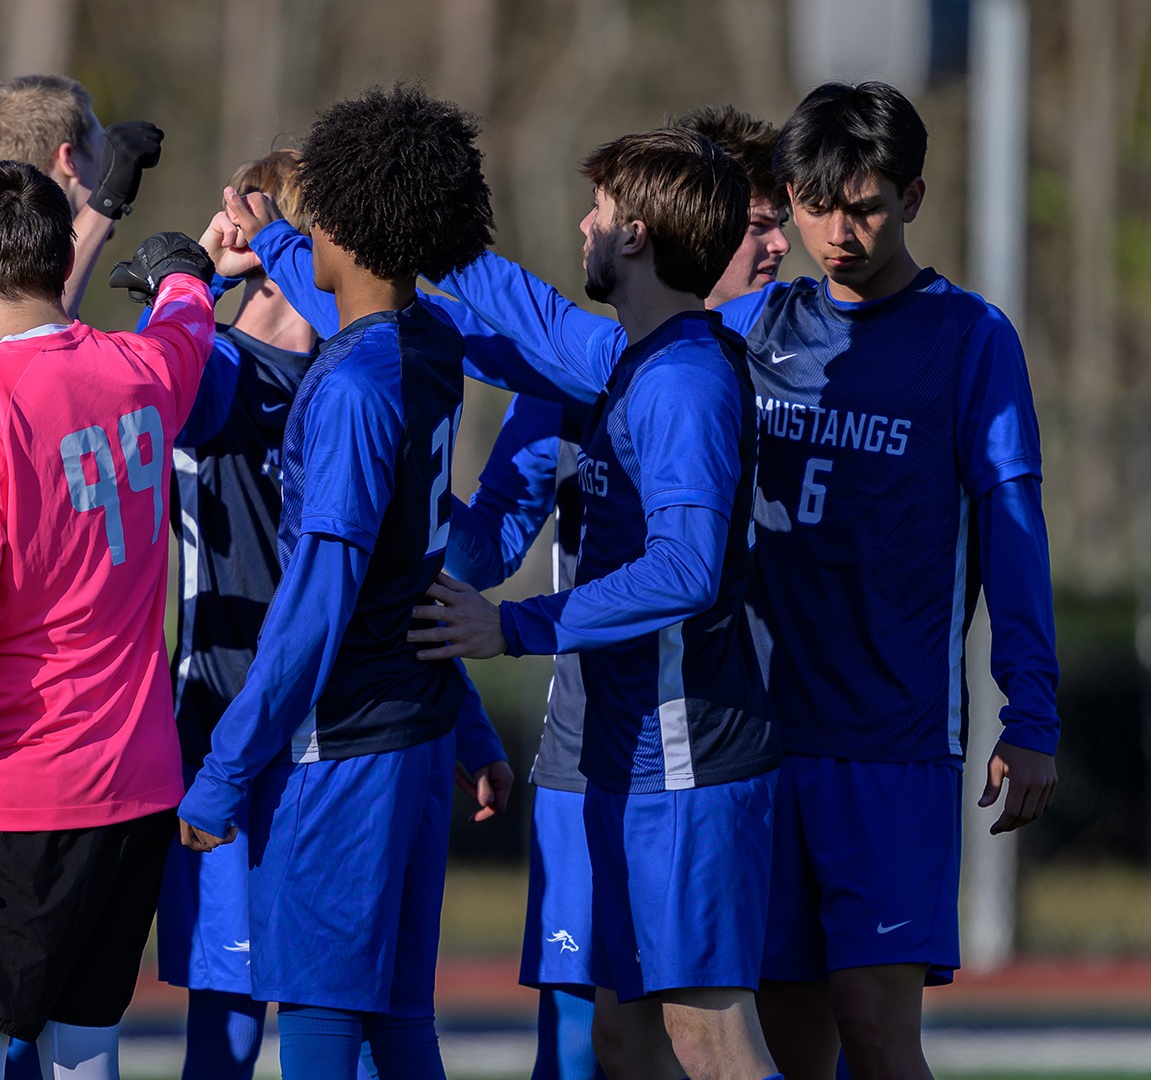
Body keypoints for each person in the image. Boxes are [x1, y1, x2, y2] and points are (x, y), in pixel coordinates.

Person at [430, 82, 1060, 1080]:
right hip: (758, 737)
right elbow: (564, 340)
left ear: (915, 198)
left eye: (865, 206)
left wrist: (1032, 709)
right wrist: (396, 275)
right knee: (780, 1033)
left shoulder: (971, 340)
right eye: (814, 205)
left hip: (889, 739)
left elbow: (1014, 529)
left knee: (878, 1027)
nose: (836, 231)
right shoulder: (745, 331)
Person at [413, 127, 781, 1080]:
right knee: (617, 1043)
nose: (583, 222)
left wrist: (515, 626)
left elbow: (686, 571)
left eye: (602, 210)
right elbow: (514, 321)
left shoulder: (688, 379)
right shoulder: (627, 359)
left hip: (686, 759)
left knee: (710, 1036)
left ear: (637, 238)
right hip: (611, 758)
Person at [159, 148, 513, 1080]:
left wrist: (227, 768)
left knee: (318, 1028)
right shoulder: (431, 342)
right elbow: (415, 569)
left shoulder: (350, 384)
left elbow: (322, 601)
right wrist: (471, 722)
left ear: (347, 235)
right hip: (417, 724)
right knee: (398, 1025)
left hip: (337, 737)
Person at [0, 160, 215, 1080]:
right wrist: (185, 270)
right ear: (66, 258)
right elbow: (186, 324)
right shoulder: (140, 372)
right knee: (85, 1053)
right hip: (136, 785)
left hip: (6, 795)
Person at [0, 73, 165, 362]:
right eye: (105, 151)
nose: (107, 166)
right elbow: (30, 329)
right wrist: (107, 201)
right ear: (69, 159)